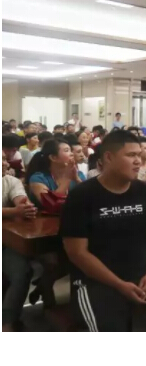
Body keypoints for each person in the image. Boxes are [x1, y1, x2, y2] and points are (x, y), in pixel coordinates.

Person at [60, 131, 146, 332]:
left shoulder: (145, 192)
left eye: (139, 155)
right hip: (97, 281)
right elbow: (77, 253)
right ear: (108, 157)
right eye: (131, 155)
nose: (139, 160)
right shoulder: (81, 196)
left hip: (144, 275)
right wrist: (119, 284)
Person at [2, 151, 38, 332]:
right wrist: (13, 212)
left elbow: (20, 201)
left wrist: (24, 207)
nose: (5, 164)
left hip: (7, 242)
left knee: (21, 271)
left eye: (4, 159)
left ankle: (7, 323)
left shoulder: (10, 181)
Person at [27, 139, 86, 209]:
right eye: (66, 150)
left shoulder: (78, 174)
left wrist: (77, 179)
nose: (72, 154)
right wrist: (67, 178)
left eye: (70, 150)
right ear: (53, 157)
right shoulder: (38, 178)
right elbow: (50, 204)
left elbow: (90, 198)